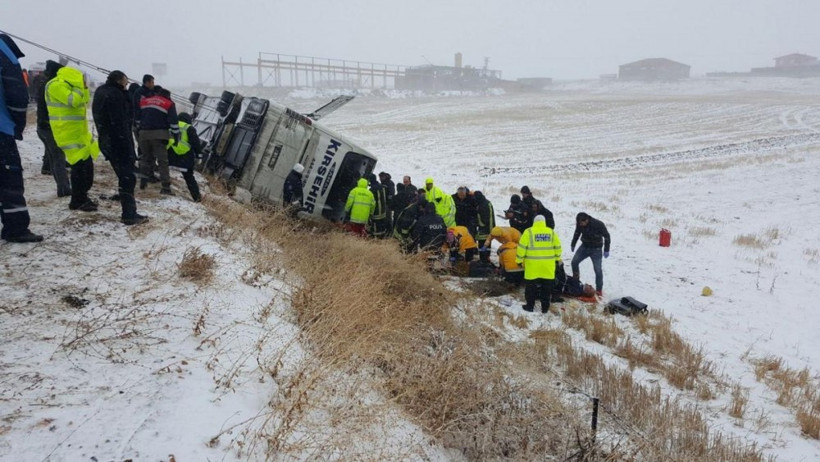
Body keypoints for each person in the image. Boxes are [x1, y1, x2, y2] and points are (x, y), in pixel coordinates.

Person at [0, 34, 43, 243]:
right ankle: (16, 228)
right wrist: (17, 124)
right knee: (9, 179)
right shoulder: (3, 48)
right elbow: (16, 92)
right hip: (1, 129)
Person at [92, 70, 148, 226]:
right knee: (128, 178)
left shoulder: (101, 91)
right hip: (119, 142)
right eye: (126, 82)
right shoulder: (116, 96)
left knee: (125, 176)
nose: (127, 85)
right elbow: (121, 123)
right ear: (119, 81)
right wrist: (129, 149)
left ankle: (128, 209)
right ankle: (129, 214)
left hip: (107, 141)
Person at [45, 64, 100, 212]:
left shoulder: (69, 86)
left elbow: (84, 100)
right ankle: (77, 200)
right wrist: (78, 86)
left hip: (79, 132)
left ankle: (82, 196)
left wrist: (84, 88)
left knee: (86, 167)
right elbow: (74, 101)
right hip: (66, 133)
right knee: (79, 168)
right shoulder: (55, 85)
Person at [35, 60, 71, 197]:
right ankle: (64, 188)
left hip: (42, 127)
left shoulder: (45, 84)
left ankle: (61, 186)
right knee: (58, 158)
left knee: (53, 157)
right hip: (50, 128)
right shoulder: (53, 86)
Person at [516, 215, 562, 313]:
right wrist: (557, 259)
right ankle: (545, 308)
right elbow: (558, 247)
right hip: (548, 266)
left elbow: (522, 248)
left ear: (534, 222)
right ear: (544, 222)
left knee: (531, 288)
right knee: (546, 288)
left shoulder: (528, 232)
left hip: (532, 265)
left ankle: (529, 306)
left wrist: (519, 260)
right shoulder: (551, 232)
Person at [138, 86, 179, 195]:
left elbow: (137, 117)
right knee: (162, 161)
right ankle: (165, 187)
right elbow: (174, 123)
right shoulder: (169, 103)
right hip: (159, 135)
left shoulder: (145, 101)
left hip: (143, 134)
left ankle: (143, 182)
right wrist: (176, 137)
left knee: (145, 158)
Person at [570, 212, 611, 296]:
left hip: (596, 249)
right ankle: (576, 281)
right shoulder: (579, 223)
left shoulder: (598, 224)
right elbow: (577, 233)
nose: (580, 225)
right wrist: (573, 244)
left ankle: (599, 290)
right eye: (579, 223)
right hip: (584, 247)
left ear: (586, 220)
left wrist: (606, 249)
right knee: (574, 262)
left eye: (581, 223)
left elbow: (607, 236)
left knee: (598, 270)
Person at [166, 112, 203, 202]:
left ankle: (164, 188)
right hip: (185, 159)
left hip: (170, 156)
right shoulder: (189, 128)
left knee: (163, 171)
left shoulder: (170, 126)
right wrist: (199, 156)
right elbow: (196, 143)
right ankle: (197, 197)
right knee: (189, 178)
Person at [368, 173, 391, 238]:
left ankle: (376, 238)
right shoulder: (383, 187)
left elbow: (371, 202)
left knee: (375, 227)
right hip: (383, 211)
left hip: (376, 212)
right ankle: (382, 237)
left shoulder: (372, 190)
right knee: (382, 226)